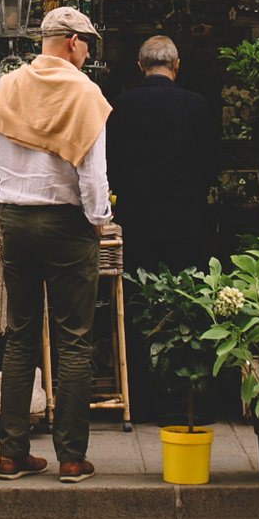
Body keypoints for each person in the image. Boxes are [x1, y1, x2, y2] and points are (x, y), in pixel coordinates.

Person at [0, 5, 111, 482]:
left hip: (16, 221)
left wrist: (3, 208)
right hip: (68, 225)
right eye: (88, 42)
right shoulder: (86, 93)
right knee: (73, 341)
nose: (89, 51)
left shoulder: (3, 89)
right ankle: (71, 458)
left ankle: (11, 454)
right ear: (72, 41)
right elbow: (94, 176)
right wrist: (99, 222)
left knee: (20, 339)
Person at [105, 34, 219, 416]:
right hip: (187, 224)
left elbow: (111, 166)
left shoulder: (120, 107)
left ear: (140, 66)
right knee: (187, 305)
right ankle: (185, 397)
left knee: (137, 307)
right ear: (176, 65)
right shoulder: (197, 106)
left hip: (137, 223)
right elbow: (211, 167)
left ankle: (140, 394)